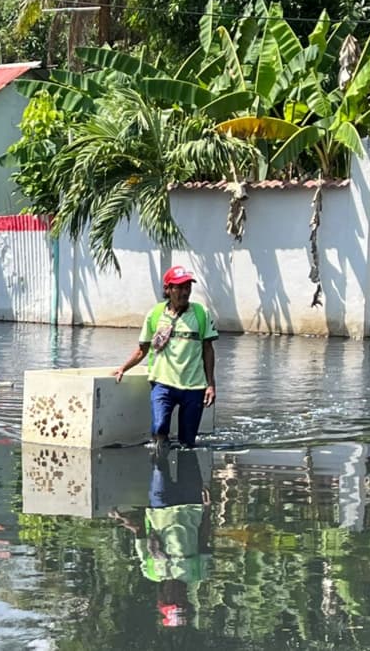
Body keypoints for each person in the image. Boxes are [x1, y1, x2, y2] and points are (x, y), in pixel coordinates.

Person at [113, 265, 217, 449]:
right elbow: (142, 349)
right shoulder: (155, 315)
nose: (185, 292)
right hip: (163, 384)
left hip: (193, 387)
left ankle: (184, 472)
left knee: (188, 442)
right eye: (180, 287)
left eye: (188, 287)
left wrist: (210, 384)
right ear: (168, 289)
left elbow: (208, 349)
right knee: (160, 428)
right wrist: (123, 368)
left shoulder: (201, 314)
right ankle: (160, 466)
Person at [110, 449, 213, 628]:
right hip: (191, 504)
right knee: (188, 450)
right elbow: (203, 538)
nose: (178, 596)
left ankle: (161, 439)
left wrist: (123, 520)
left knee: (159, 463)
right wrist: (208, 508)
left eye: (173, 600)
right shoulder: (198, 573)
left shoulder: (151, 572)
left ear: (163, 598)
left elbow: (141, 535)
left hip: (160, 506)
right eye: (182, 601)